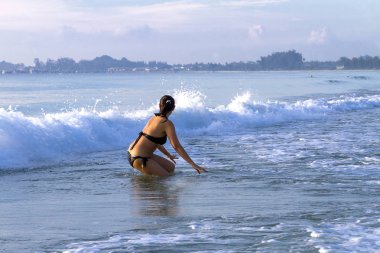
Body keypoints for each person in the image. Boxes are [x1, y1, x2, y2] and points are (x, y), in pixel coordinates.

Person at [127, 95, 207, 176]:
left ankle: (145, 184)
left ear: (159, 105)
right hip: (139, 158)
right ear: (173, 108)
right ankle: (143, 186)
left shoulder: (153, 118)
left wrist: (168, 155)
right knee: (166, 178)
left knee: (170, 167)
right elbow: (176, 146)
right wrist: (193, 164)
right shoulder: (167, 124)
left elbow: (153, 141)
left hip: (132, 153)